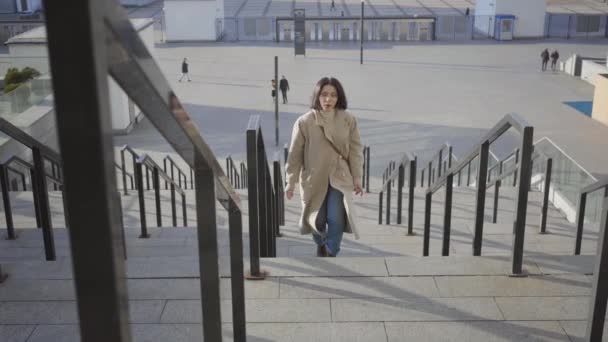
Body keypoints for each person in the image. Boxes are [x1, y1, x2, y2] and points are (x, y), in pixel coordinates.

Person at [285, 77, 363, 257]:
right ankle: (320, 242)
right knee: (317, 220)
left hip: (339, 176)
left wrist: (357, 177)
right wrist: (290, 182)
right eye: (324, 95)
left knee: (335, 218)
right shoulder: (304, 122)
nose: (328, 99)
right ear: (317, 96)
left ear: (339, 97)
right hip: (314, 178)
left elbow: (356, 149)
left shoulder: (347, 119)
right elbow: (295, 154)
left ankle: (331, 250)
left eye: (333, 95)